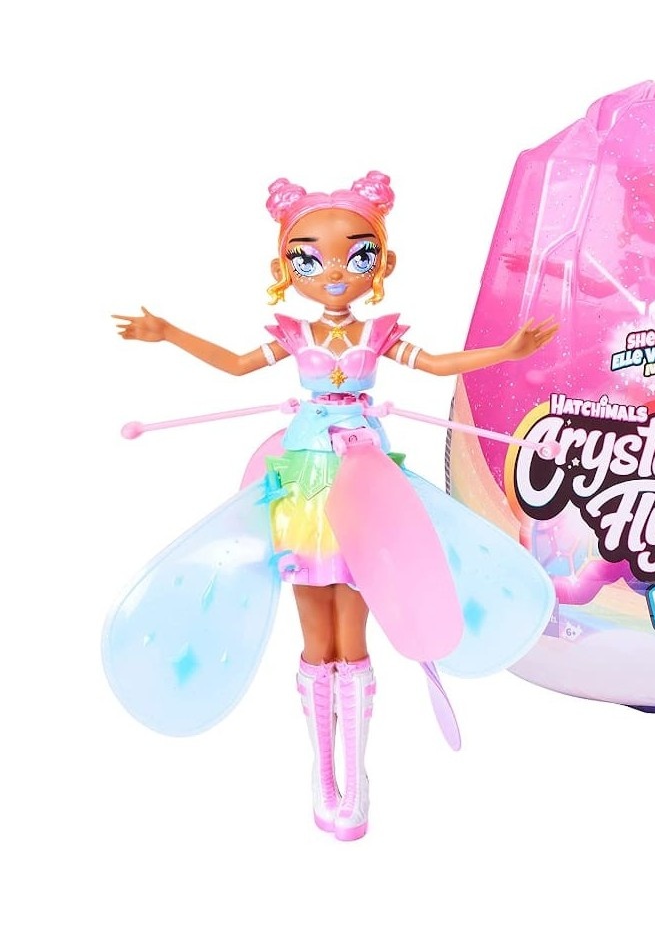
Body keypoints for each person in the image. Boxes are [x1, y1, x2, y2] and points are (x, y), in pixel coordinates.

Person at [113, 172, 557, 840]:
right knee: (316, 635)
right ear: (284, 270)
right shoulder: (296, 335)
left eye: (358, 254)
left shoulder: (377, 336)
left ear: (382, 263)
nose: (335, 272)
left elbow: (437, 364)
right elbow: (237, 364)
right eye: (309, 260)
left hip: (366, 484)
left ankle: (357, 773)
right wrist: (168, 331)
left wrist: (507, 351)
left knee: (353, 632)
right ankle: (322, 772)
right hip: (303, 485)